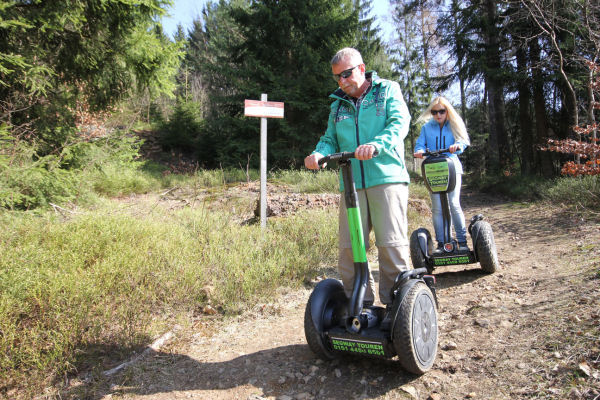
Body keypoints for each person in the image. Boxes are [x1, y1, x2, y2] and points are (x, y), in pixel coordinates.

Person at [304, 47, 411, 329]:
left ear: (361, 69)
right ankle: (359, 308)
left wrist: (377, 145)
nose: (342, 81)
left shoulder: (386, 90)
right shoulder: (337, 105)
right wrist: (318, 153)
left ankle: (397, 309)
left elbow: (399, 124)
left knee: (390, 246)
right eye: (337, 77)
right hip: (351, 183)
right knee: (350, 249)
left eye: (347, 74)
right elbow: (329, 139)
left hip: (386, 178)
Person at [413, 96, 470, 253]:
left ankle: (462, 241)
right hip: (433, 169)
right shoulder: (426, 128)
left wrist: (456, 146)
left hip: (452, 167)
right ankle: (442, 243)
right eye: (434, 112)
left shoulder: (453, 125)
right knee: (437, 207)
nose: (438, 115)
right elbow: (420, 144)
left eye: (441, 111)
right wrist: (419, 151)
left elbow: (463, 142)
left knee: (453, 203)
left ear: (447, 111)